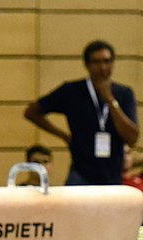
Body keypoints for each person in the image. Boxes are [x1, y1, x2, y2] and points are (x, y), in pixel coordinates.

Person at [24, 40, 139, 185]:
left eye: (107, 61)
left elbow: (132, 138)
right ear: (87, 65)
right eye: (96, 62)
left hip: (112, 175)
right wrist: (63, 136)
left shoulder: (124, 93)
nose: (102, 67)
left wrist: (111, 101)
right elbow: (31, 112)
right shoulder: (72, 91)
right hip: (81, 173)